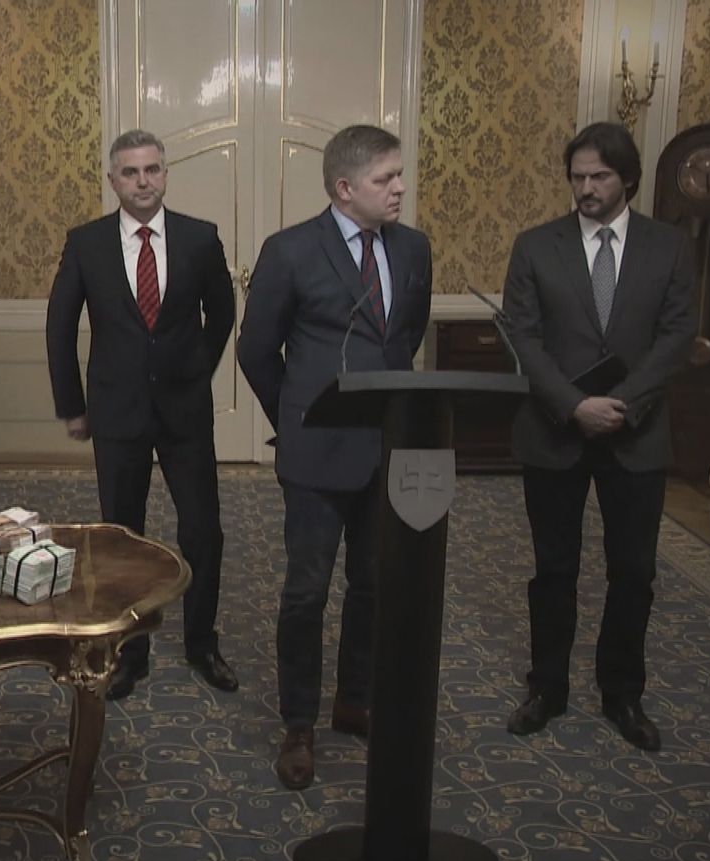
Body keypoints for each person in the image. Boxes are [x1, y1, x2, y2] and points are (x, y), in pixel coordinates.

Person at [237, 124, 432, 790]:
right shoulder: (290, 250)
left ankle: (355, 700)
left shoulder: (413, 248)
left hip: (390, 450)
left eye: (399, 175)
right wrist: (297, 420)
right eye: (386, 179)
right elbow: (256, 351)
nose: (399, 188)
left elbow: (406, 335)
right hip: (316, 454)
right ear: (345, 188)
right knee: (307, 592)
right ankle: (299, 723)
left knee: (375, 584)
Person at [500, 122, 697, 752]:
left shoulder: (669, 248)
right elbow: (522, 338)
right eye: (577, 176)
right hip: (555, 431)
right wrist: (574, 405)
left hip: (636, 435)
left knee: (633, 572)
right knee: (553, 569)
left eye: (600, 177)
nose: (586, 188)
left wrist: (624, 405)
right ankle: (547, 688)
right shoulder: (536, 247)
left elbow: (676, 337)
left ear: (628, 179)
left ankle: (623, 694)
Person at [46, 129, 238, 701]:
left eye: (152, 169)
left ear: (165, 173)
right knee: (122, 535)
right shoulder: (86, 244)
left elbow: (222, 313)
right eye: (130, 172)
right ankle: (130, 653)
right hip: (117, 411)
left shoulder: (201, 238)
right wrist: (73, 407)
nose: (143, 181)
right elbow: (59, 327)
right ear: (114, 181)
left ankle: (202, 643)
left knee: (203, 530)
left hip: (185, 412)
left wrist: (197, 369)